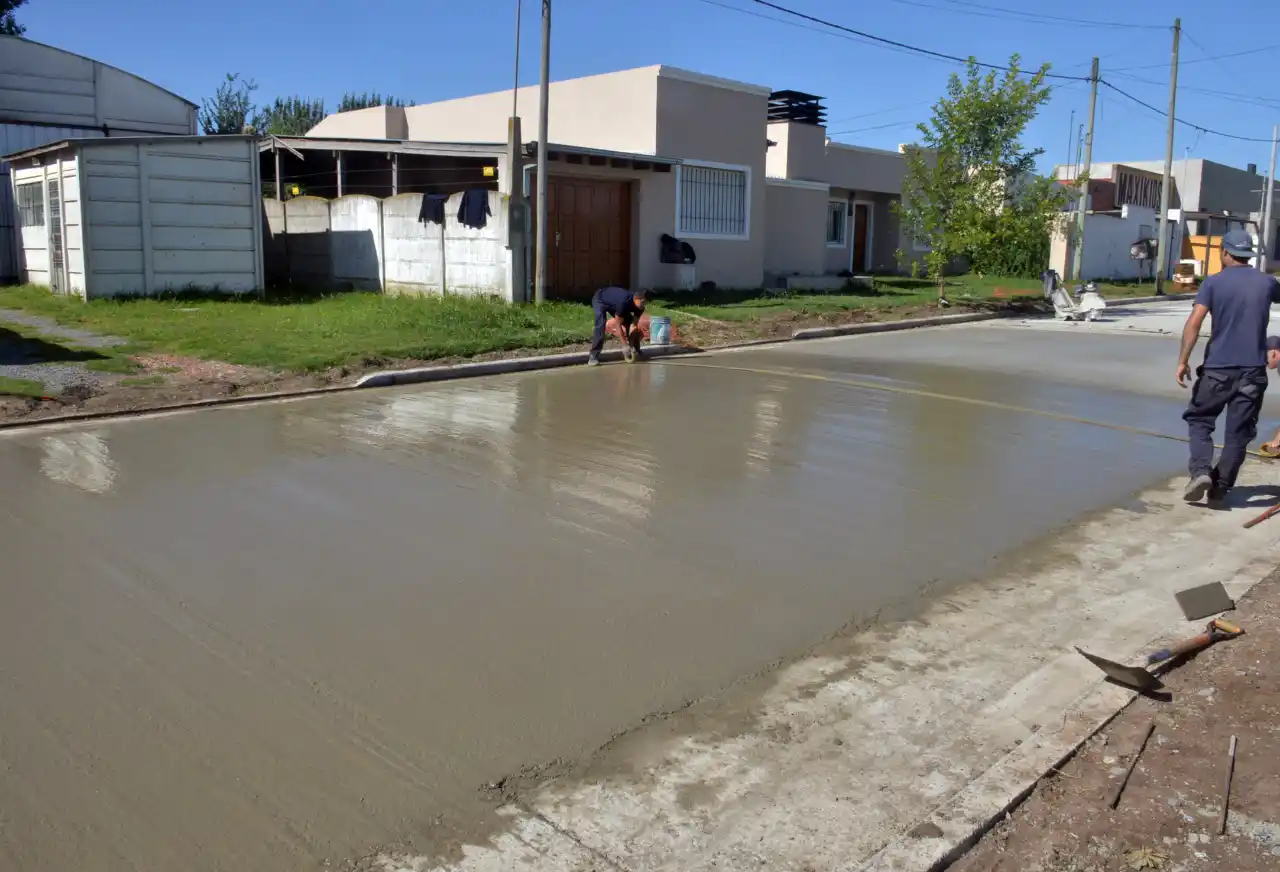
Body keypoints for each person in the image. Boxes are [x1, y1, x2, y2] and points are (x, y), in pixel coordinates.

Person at [1176, 229, 1280, 502]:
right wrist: (1276, 343)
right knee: (1239, 433)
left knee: (1199, 420)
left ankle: (1201, 471)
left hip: (1217, 371)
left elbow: (1194, 323)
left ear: (1224, 252)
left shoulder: (1213, 283)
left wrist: (1183, 361)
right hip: (1253, 373)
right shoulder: (1268, 282)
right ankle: (1220, 488)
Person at [588, 287, 649, 366]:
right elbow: (617, 325)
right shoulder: (624, 302)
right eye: (642, 301)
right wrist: (624, 345)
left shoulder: (640, 308)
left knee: (629, 321)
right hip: (600, 298)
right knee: (601, 324)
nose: (643, 305)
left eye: (646, 302)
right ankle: (593, 356)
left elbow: (633, 325)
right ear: (636, 298)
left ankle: (636, 350)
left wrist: (631, 343)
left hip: (614, 303)